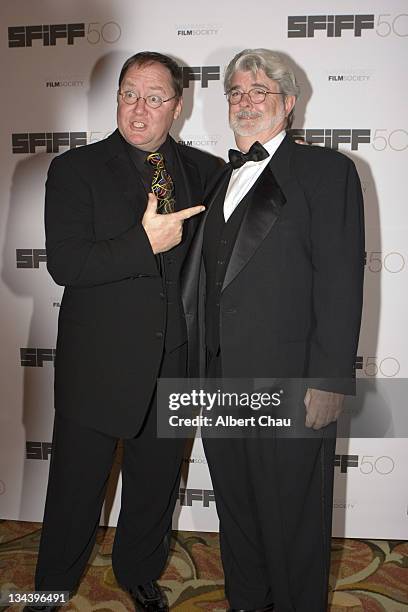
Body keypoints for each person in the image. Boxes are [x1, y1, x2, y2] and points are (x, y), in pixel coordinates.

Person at [25, 51, 220, 612]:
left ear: (177, 106)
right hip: (99, 363)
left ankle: (139, 574)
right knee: (74, 491)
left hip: (174, 364)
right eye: (129, 94)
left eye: (155, 98)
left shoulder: (204, 172)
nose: (139, 110)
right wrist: (144, 243)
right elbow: (67, 264)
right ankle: (47, 591)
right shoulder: (75, 169)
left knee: (155, 487)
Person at [181, 49, 365, 612]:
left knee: (294, 523)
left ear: (288, 102)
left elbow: (340, 282)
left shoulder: (327, 172)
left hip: (291, 385)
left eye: (260, 90)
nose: (246, 101)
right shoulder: (216, 181)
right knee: (237, 511)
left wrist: (330, 380)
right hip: (218, 382)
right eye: (236, 92)